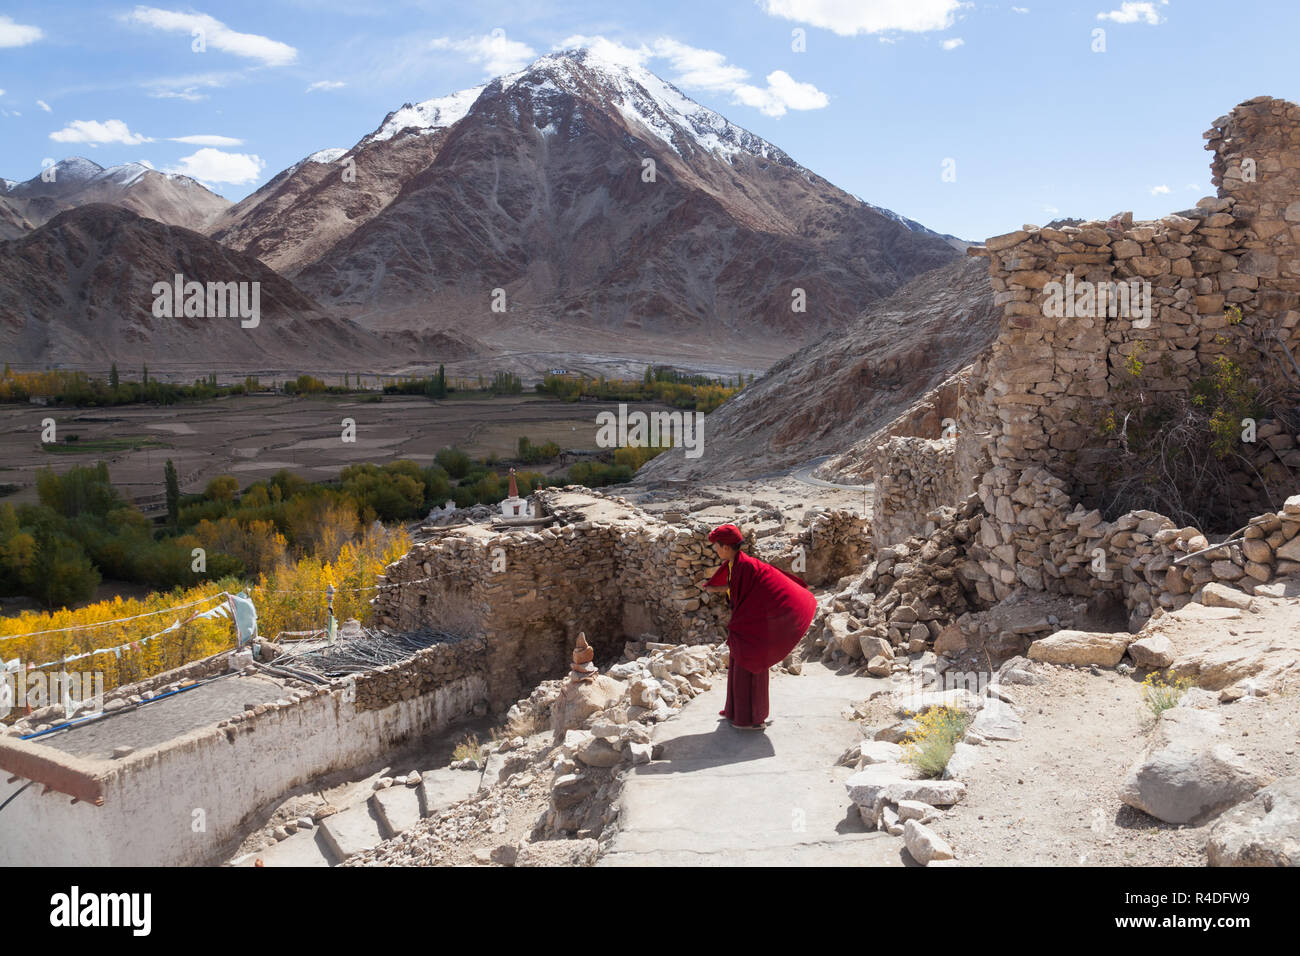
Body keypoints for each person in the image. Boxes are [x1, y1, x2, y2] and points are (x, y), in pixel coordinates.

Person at [698, 523, 817, 731]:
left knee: (749, 667)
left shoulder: (746, 566)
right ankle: (737, 712)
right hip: (747, 622)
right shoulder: (736, 564)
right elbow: (736, 587)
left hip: (753, 626)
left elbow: (766, 587)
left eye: (717, 546)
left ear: (726, 547)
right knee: (739, 664)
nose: (715, 551)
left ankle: (752, 719)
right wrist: (713, 587)